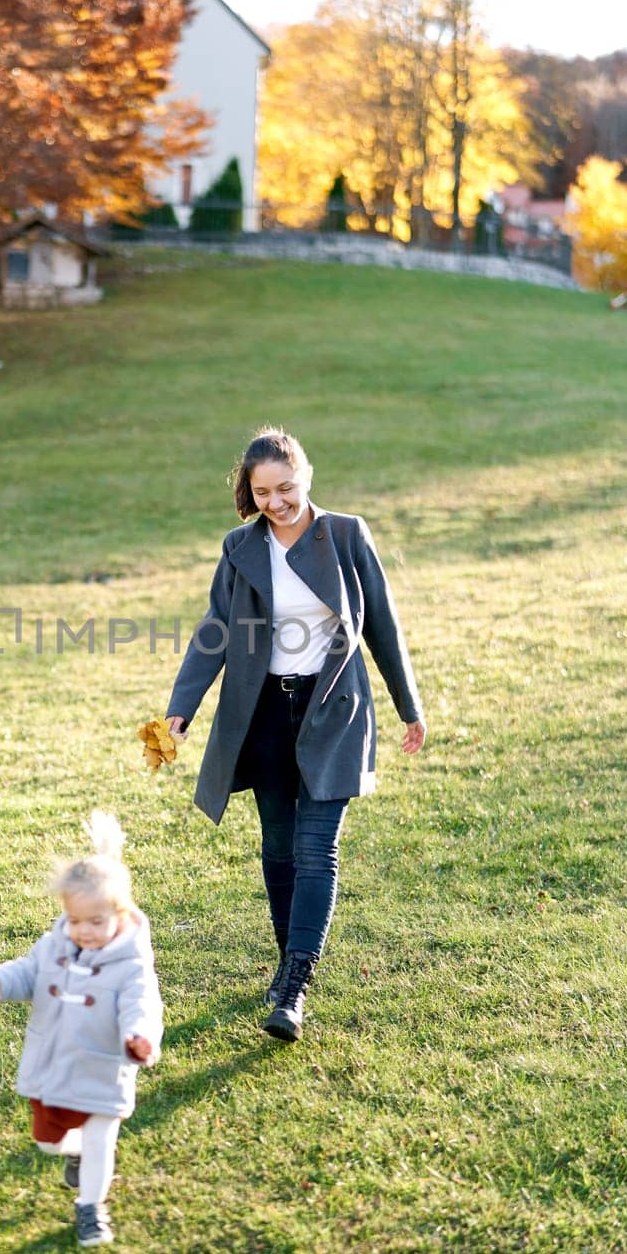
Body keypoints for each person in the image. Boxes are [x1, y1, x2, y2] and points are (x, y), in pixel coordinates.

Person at [165, 426, 426, 1044]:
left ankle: (295, 985)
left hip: (332, 709)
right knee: (278, 846)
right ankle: (289, 963)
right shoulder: (239, 548)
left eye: (285, 488)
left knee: (317, 848)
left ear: (305, 475)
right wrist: (182, 706)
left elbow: (381, 623)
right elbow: (216, 630)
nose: (275, 502)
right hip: (262, 715)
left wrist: (407, 706)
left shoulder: (344, 535)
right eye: (262, 493)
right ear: (249, 493)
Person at [0, 811, 163, 1248]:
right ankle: (72, 1154)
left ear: (120, 913)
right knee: (49, 1143)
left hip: (104, 1065)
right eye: (76, 921)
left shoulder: (132, 965)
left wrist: (141, 1038)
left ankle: (91, 1209)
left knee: (100, 1138)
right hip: (54, 1064)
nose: (85, 932)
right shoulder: (54, 946)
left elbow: (142, 1005)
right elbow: (27, 971)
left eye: (96, 922)